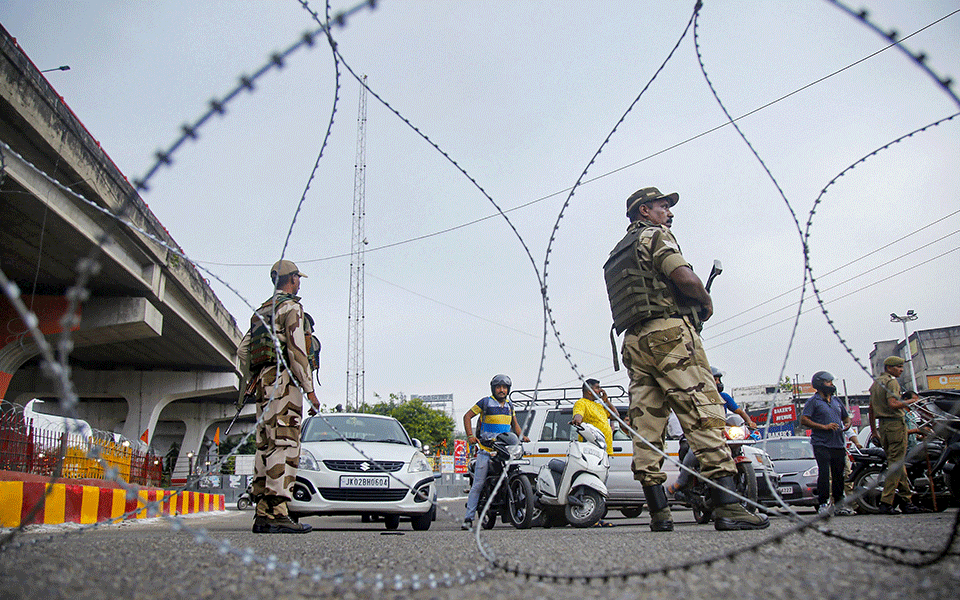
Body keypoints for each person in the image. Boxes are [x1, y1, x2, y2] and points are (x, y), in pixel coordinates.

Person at [603, 186, 768, 532]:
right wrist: (705, 300)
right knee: (703, 413)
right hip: (669, 337)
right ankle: (728, 507)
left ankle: (659, 513)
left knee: (646, 426)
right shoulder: (656, 236)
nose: (670, 213)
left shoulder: (618, 252)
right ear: (645, 211)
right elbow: (683, 277)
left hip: (634, 341)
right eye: (663, 206)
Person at [240, 259, 320, 534]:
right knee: (284, 443)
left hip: (263, 384)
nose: (299, 283)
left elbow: (243, 352)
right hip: (284, 384)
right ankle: (278, 512)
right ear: (292, 279)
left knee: (265, 443)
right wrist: (309, 390)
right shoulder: (291, 307)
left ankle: (262, 511)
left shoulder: (260, 311)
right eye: (298, 278)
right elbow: (297, 352)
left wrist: (258, 374)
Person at [461, 374, 529, 530]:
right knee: (478, 484)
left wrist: (522, 436)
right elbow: (467, 416)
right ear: (493, 388)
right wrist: (470, 436)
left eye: (504, 387)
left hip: (505, 451)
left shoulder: (510, 406)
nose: (501, 390)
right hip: (486, 451)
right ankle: (468, 518)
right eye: (498, 387)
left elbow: (515, 425)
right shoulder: (485, 402)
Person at [868, 356, 922, 514]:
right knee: (896, 465)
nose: (901, 369)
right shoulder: (892, 382)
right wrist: (911, 401)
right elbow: (893, 404)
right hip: (895, 425)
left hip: (883, 427)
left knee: (898, 463)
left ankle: (907, 500)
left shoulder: (876, 383)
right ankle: (886, 501)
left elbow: (871, 408)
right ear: (889, 368)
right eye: (898, 367)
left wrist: (874, 431)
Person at [799, 371, 852, 516]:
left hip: (838, 443)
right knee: (824, 473)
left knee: (838, 475)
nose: (832, 385)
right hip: (821, 443)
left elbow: (846, 418)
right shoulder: (813, 401)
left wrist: (847, 424)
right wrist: (824, 427)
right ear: (819, 383)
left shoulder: (836, 401)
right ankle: (823, 504)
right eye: (828, 382)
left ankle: (839, 504)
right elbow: (804, 420)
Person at [571, 379, 619, 527]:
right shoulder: (582, 403)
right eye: (597, 388)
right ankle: (591, 517)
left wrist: (606, 401)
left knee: (601, 484)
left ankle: (597, 516)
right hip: (591, 450)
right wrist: (576, 420)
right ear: (589, 391)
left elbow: (616, 416)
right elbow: (578, 415)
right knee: (592, 484)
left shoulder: (599, 405)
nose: (600, 390)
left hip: (604, 451)